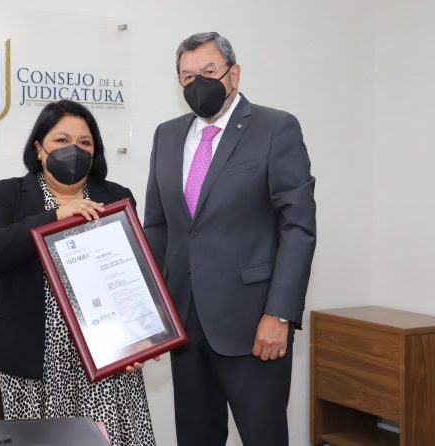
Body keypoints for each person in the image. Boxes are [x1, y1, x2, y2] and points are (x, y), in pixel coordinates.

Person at [144, 32, 316, 445]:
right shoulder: (167, 135)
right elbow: (158, 227)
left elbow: (297, 227)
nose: (197, 83)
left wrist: (280, 314)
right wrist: (151, 315)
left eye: (208, 71)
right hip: (185, 325)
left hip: (254, 326)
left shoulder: (275, 128)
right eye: (188, 76)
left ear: (233, 74)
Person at [0, 100, 156, 446]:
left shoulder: (115, 197)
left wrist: (140, 339)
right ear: (39, 148)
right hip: (33, 362)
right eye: (62, 140)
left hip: (105, 357)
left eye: (85, 142)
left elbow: (135, 275)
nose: (74, 150)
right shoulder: (6, 194)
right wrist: (56, 216)